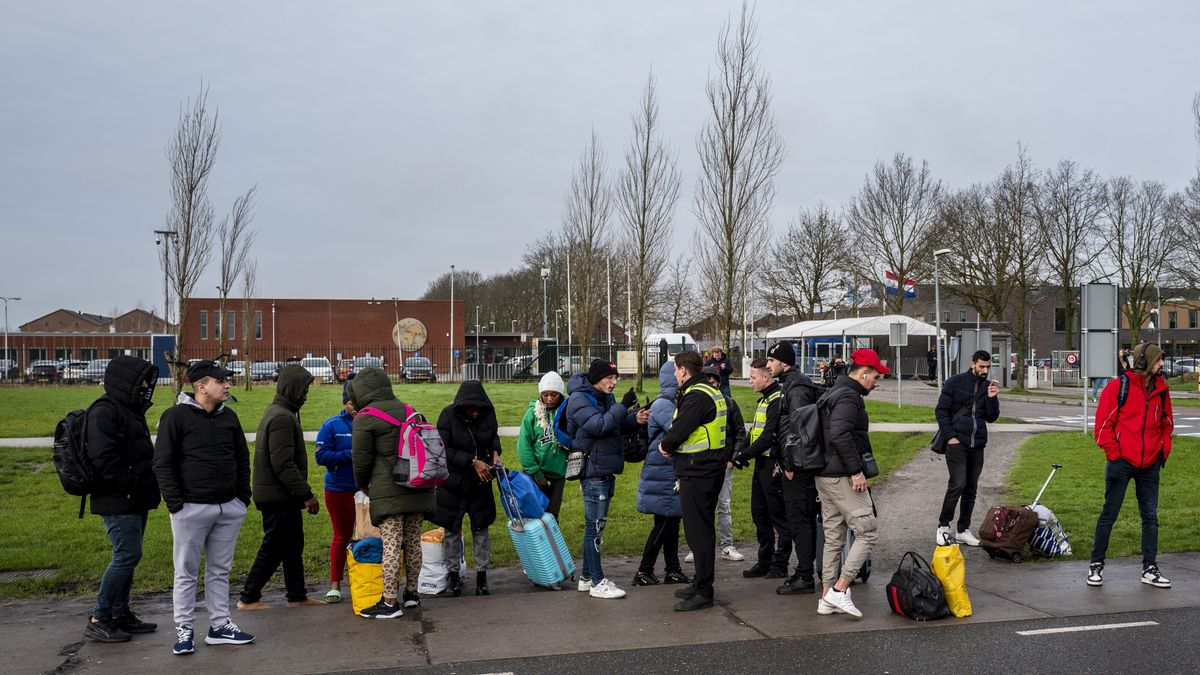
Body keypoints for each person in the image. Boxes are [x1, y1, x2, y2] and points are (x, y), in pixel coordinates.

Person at [153, 360, 254, 655]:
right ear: (201, 387)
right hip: (191, 509)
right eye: (220, 381)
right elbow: (163, 462)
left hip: (228, 507)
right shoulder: (175, 417)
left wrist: (241, 498)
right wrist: (176, 505)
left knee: (220, 570)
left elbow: (241, 458)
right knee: (185, 571)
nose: (227, 385)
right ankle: (184, 629)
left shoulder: (229, 417)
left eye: (227, 380)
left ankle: (219, 626)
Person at [83, 356, 161, 643]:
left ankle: (120, 612)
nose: (144, 385)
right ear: (124, 380)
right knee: (126, 555)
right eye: (140, 380)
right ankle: (99, 617)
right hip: (117, 498)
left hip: (133, 497)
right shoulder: (104, 411)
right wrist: (130, 484)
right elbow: (104, 459)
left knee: (130, 556)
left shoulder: (128, 410)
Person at [349, 366, 435, 617]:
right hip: (418, 486)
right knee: (413, 543)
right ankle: (411, 595)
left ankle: (388, 603)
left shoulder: (365, 418)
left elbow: (361, 461)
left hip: (388, 490)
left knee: (391, 544)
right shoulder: (410, 410)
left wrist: (364, 487)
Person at [1087, 342, 1174, 589]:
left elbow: (1167, 423)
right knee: (1109, 514)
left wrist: (1162, 450)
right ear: (1143, 362)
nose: (1162, 364)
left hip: (1150, 464)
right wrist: (1115, 454)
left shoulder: (1162, 389)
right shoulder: (1118, 387)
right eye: (1158, 360)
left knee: (1150, 517)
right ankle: (1096, 565)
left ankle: (1150, 568)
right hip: (1122, 463)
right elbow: (1103, 426)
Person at [237, 364, 321, 610]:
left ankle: (297, 595)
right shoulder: (282, 417)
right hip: (278, 497)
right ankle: (248, 597)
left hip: (281, 495)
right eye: (303, 390)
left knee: (293, 546)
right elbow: (282, 465)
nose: (306, 395)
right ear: (292, 389)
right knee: (274, 547)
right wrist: (306, 494)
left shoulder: (281, 412)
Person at [565, 358, 648, 600]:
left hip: (605, 466)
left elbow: (615, 426)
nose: (613, 383)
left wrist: (635, 419)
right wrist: (622, 406)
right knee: (595, 526)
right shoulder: (579, 399)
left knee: (595, 524)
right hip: (593, 469)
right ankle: (598, 582)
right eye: (609, 378)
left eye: (615, 378)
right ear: (596, 379)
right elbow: (600, 426)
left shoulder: (604, 397)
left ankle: (587, 577)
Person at [815, 349, 883, 618]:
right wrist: (856, 471)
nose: (876, 382)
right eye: (875, 376)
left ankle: (825, 598)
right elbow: (840, 434)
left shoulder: (833, 391)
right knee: (867, 531)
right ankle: (840, 590)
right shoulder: (848, 395)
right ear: (863, 372)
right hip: (841, 474)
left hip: (825, 474)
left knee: (834, 538)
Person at [659, 351, 730, 611]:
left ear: (683, 370)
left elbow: (680, 429)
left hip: (698, 470)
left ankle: (703, 590)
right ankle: (699, 582)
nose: (676, 375)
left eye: (676, 371)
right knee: (700, 530)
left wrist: (666, 445)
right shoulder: (708, 390)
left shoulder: (696, 395)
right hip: (707, 468)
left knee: (698, 532)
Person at [433, 380, 503, 597]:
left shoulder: (487, 415)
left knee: (481, 528)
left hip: (480, 482)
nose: (474, 412)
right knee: (452, 529)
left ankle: (482, 576)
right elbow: (443, 449)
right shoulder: (447, 416)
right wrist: (472, 461)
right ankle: (453, 575)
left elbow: (494, 439)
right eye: (470, 408)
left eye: (478, 408)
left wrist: (495, 455)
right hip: (453, 482)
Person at [767, 341, 823, 596]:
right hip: (795, 464)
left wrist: (790, 463)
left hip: (798, 468)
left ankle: (804, 576)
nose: (768, 365)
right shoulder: (790, 383)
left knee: (800, 519)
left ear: (785, 362)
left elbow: (800, 428)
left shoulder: (797, 386)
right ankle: (801, 572)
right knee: (798, 518)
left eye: (771, 360)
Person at [728, 358, 791, 580]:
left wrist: (743, 454)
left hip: (772, 464)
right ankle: (765, 560)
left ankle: (780, 564)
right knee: (759, 513)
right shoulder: (764, 399)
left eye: (753, 377)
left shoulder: (776, 399)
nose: (749, 381)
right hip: (761, 464)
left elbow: (768, 437)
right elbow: (754, 432)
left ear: (766, 377)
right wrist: (740, 452)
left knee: (777, 515)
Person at [632, 361, 692, 587]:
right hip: (663, 472)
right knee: (665, 523)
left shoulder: (672, 401)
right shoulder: (665, 404)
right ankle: (644, 570)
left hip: (666, 471)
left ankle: (672, 569)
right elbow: (679, 431)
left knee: (671, 523)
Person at [934, 349, 1001, 547]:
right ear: (972, 364)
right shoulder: (955, 382)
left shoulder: (988, 386)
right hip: (957, 443)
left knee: (971, 488)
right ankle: (943, 526)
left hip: (977, 443)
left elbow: (991, 417)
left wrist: (992, 398)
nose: (985, 370)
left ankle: (963, 529)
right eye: (981, 366)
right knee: (957, 484)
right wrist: (950, 437)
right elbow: (941, 411)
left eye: (988, 367)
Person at [313, 375, 359, 603]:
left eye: (359, 403)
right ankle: (335, 585)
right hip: (339, 489)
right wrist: (348, 455)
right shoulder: (332, 426)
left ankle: (363, 581)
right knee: (341, 537)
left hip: (366, 491)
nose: (355, 408)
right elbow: (320, 456)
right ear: (344, 403)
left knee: (366, 537)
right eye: (351, 403)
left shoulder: (370, 423)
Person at [704, 365, 746, 563]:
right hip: (702, 464)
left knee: (723, 505)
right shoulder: (696, 404)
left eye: (712, 381)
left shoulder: (729, 404)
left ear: (718, 383)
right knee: (702, 507)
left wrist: (732, 458)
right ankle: (699, 547)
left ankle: (727, 545)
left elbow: (739, 432)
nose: (710, 384)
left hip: (723, 464)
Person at [516, 372, 569, 519]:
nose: (550, 399)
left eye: (554, 394)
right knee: (533, 514)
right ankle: (533, 542)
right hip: (535, 473)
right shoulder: (532, 414)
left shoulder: (567, 411)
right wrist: (537, 474)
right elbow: (523, 446)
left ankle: (551, 542)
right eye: (545, 395)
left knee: (552, 515)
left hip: (558, 474)